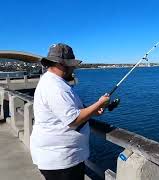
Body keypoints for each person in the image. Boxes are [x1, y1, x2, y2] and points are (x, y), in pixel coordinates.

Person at [30, 43, 109, 180]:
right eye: (72, 65)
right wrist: (99, 103)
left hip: (61, 157)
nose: (74, 68)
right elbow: (73, 120)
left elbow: (69, 111)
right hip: (61, 161)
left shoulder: (53, 82)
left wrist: (93, 111)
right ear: (61, 64)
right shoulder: (55, 87)